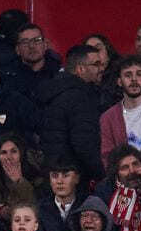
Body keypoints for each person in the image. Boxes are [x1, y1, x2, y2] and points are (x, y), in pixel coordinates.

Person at [37, 44, 105, 183]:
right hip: (74, 176)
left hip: (55, 172)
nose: (101, 69)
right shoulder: (79, 97)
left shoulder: (56, 90)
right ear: (80, 69)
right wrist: (101, 174)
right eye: (96, 64)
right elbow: (84, 143)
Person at [37, 157, 86, 231]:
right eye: (55, 176)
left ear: (77, 178)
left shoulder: (87, 206)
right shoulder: (40, 210)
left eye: (65, 175)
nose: (59, 181)